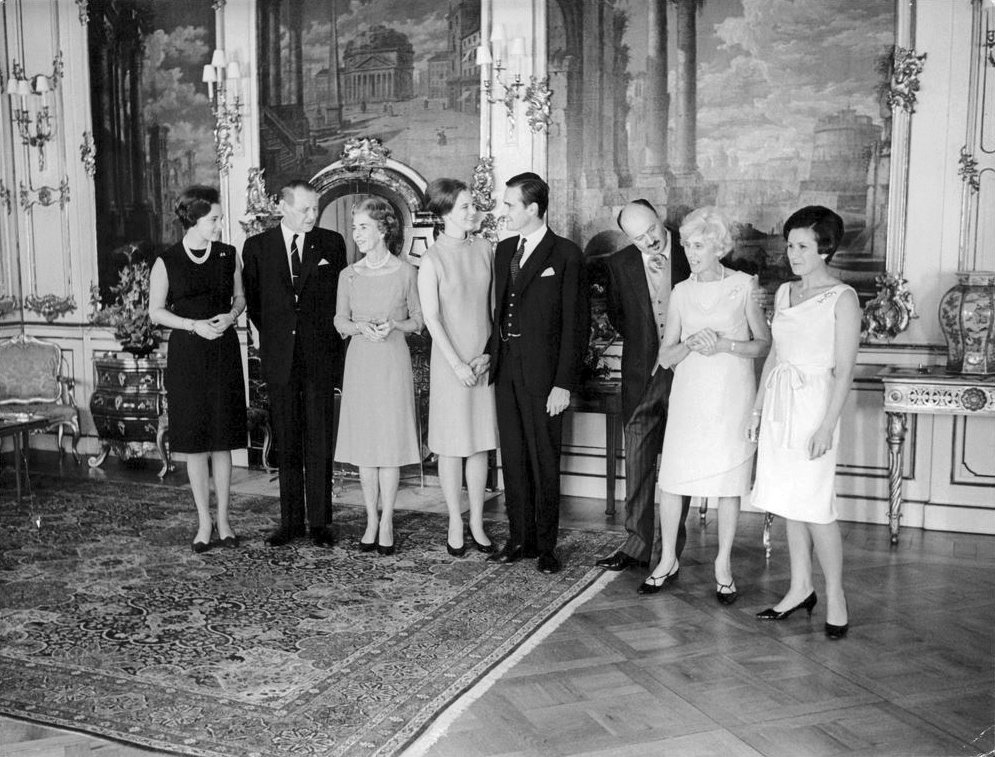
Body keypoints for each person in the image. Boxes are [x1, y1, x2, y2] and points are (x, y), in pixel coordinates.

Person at [639, 207, 770, 603]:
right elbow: (665, 357)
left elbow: (763, 344)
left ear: (718, 247)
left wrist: (725, 343)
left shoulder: (745, 286)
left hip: (731, 393)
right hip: (691, 394)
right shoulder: (681, 291)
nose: (690, 252)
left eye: (698, 245)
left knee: (728, 483)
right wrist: (689, 345)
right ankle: (667, 561)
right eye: (686, 245)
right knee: (675, 478)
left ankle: (723, 565)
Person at [749, 206, 859, 639]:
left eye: (802, 246)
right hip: (780, 403)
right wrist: (757, 410)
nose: (792, 253)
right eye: (789, 245)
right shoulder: (783, 294)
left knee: (816, 506)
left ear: (825, 249)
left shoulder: (843, 298)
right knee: (789, 500)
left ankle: (836, 595)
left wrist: (827, 426)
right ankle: (799, 587)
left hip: (816, 406)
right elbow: (776, 355)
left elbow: (845, 370)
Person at [486, 172, 588, 574]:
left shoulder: (565, 254)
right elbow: (500, 310)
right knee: (512, 457)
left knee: (543, 458)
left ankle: (546, 546)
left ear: (533, 208)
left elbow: (575, 325)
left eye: (510, 204)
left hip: (546, 377)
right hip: (506, 368)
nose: (504, 211)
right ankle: (519, 538)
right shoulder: (504, 249)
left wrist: (563, 383)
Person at [242, 179, 347, 548]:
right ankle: (290, 522)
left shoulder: (332, 244)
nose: (311, 215)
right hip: (279, 359)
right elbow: (255, 304)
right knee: (286, 440)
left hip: (320, 357)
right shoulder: (257, 247)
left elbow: (339, 297)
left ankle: (319, 523)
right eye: (304, 209)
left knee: (319, 440)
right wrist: (274, 338)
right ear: (283, 207)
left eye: (315, 209)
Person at [594, 199, 692, 573]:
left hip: (687, 373)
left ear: (659, 219)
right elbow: (620, 316)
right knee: (637, 461)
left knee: (679, 465)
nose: (649, 241)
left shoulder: (690, 250)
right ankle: (635, 547)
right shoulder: (619, 265)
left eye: (651, 230)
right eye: (638, 238)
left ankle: (671, 551)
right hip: (642, 375)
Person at [149, 185, 247, 552]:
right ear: (193, 219)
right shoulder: (168, 260)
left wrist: (231, 316)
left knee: (222, 441)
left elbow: (240, 298)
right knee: (195, 443)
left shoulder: (227, 255)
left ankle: (224, 520)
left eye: (220, 219)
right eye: (214, 220)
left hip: (222, 350)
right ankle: (203, 522)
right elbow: (155, 311)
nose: (220, 226)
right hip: (188, 355)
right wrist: (193, 324)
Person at [334, 198, 423, 556]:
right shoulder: (348, 275)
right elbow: (339, 321)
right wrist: (358, 327)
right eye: (355, 227)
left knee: (388, 446)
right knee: (366, 449)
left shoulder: (406, 273)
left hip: (391, 362)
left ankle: (387, 521)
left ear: (383, 229)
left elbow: (419, 320)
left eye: (363, 227)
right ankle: (371, 518)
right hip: (360, 363)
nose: (356, 234)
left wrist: (395, 325)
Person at [417, 178, 498, 556]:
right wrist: (457, 365)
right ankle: (454, 520)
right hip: (450, 362)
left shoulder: (486, 249)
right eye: (465, 207)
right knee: (451, 446)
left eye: (473, 205)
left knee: (480, 443)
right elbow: (432, 318)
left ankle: (478, 522)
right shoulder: (432, 259)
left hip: (482, 360)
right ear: (444, 212)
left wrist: (487, 355)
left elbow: (495, 311)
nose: (473, 212)